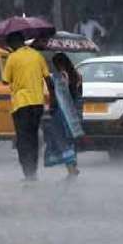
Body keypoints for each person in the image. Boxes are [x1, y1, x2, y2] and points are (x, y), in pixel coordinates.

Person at [2, 31, 52, 181]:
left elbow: (5, 80)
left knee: (23, 139)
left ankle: (27, 172)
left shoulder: (12, 57)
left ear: (13, 43)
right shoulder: (37, 55)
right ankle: (34, 171)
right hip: (37, 103)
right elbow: (48, 79)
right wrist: (53, 100)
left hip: (21, 104)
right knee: (33, 137)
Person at [43, 53, 85, 181]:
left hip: (62, 113)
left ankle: (72, 169)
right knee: (70, 141)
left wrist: (49, 82)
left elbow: (57, 96)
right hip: (74, 113)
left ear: (58, 64)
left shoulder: (60, 77)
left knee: (61, 141)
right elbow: (78, 95)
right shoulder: (77, 76)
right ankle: (73, 167)